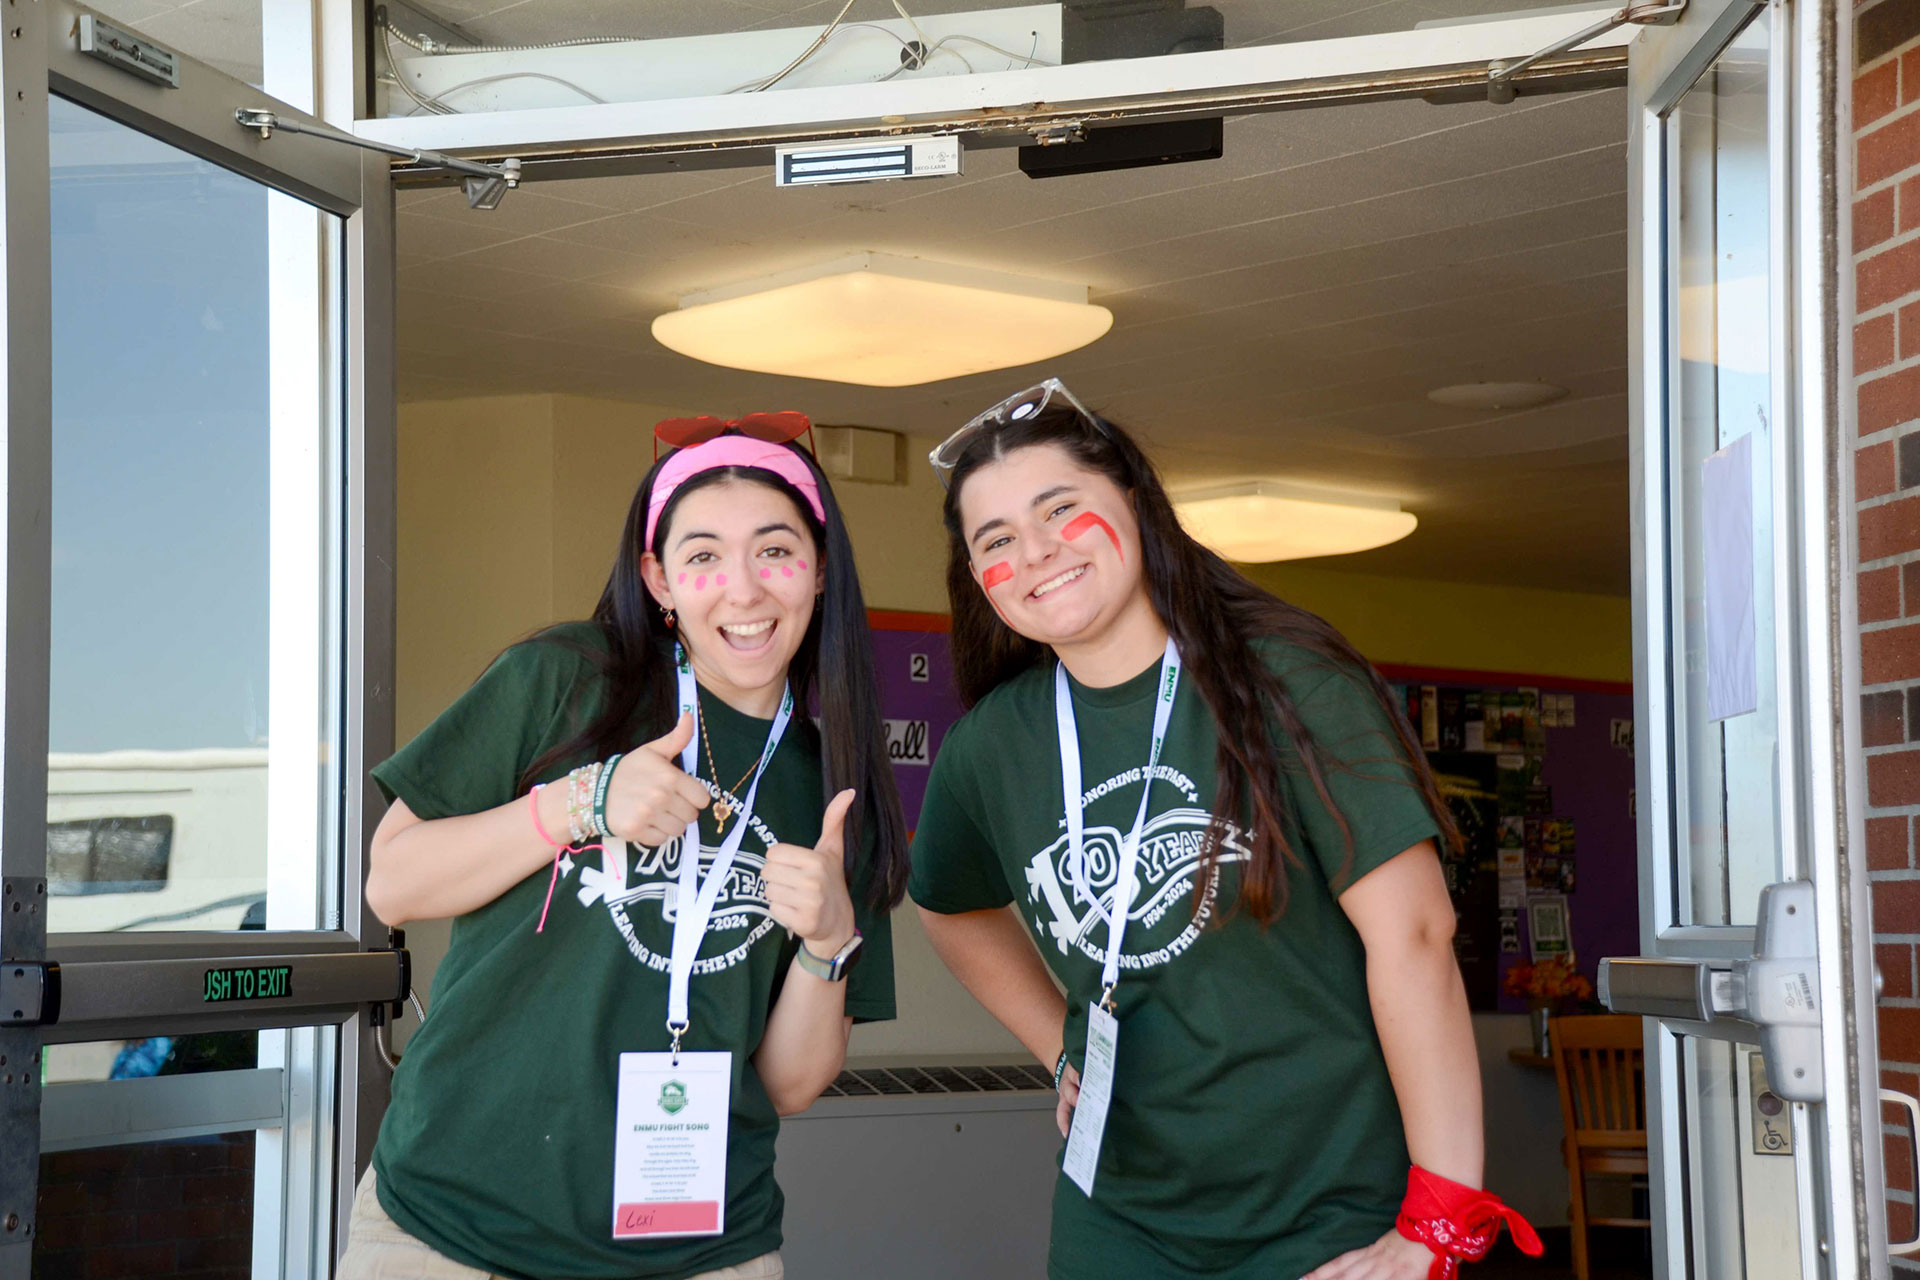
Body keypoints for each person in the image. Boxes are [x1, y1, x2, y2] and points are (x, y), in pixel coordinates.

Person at [908, 381, 1540, 1280]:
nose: (1037, 550)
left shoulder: (1291, 683)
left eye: (1061, 509)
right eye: (997, 540)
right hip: (1120, 1222)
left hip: (1329, 1213)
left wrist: (1439, 1218)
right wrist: (1060, 1045)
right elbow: (951, 908)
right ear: (979, 580)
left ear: (1135, 500)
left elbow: (1417, 935)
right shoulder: (991, 746)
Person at [344, 415, 908, 1280]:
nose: (745, 591)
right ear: (658, 579)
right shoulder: (568, 680)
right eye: (704, 556)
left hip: (699, 1249)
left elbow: (789, 1085)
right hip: (449, 1231)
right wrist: (579, 803)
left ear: (821, 569)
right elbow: (393, 883)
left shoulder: (833, 788)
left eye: (775, 551)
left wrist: (828, 946)